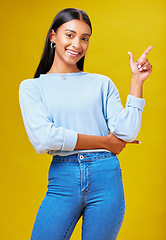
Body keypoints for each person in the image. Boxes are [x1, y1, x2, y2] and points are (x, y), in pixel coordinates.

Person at [19, 8, 152, 240]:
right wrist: (106, 142)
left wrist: (136, 81)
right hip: (63, 178)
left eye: (84, 38)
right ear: (53, 37)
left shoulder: (101, 83)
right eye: (69, 35)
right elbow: (45, 139)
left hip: (106, 177)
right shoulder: (32, 87)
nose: (77, 45)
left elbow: (127, 133)